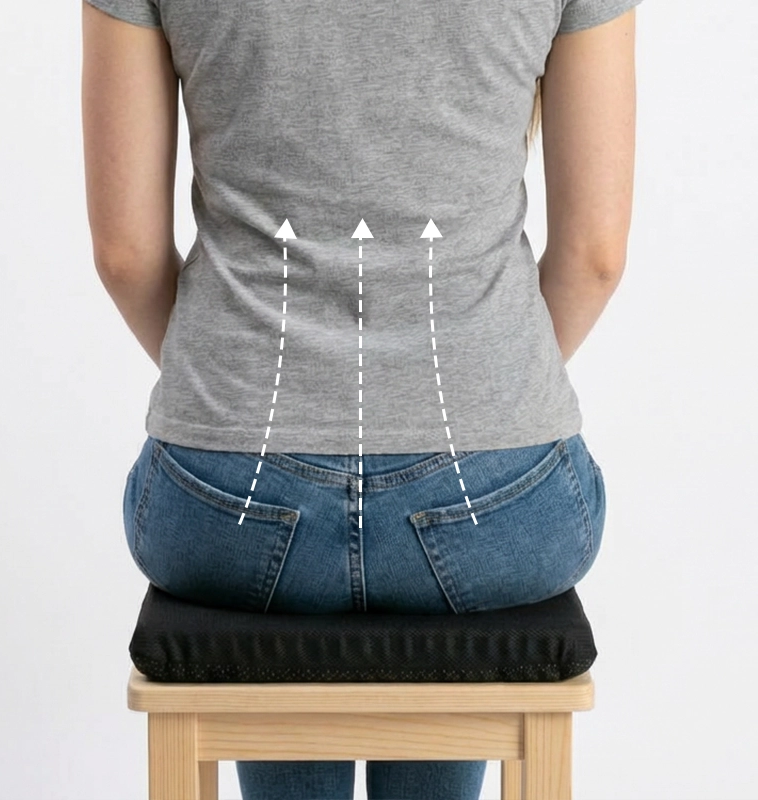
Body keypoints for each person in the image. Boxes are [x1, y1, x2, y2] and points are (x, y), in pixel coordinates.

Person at [82, 0, 642, 797]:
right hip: (493, 502)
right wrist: (494, 396)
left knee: (270, 565)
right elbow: (595, 255)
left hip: (230, 500)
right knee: (475, 549)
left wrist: (225, 397)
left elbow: (125, 253)